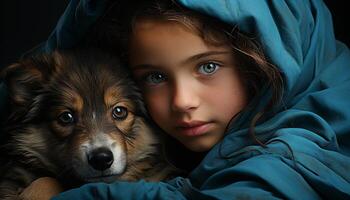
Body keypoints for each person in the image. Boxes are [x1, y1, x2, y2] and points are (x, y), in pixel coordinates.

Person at [5, 0, 350, 199]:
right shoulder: (174, 140)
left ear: (260, 62)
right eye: (154, 76)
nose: (182, 101)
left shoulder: (294, 151)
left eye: (208, 66)